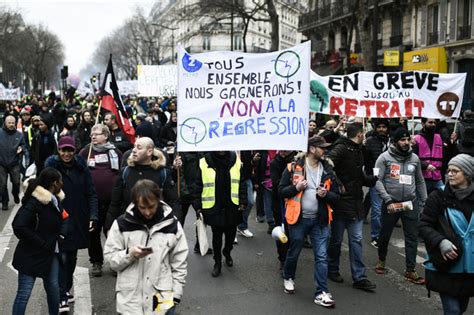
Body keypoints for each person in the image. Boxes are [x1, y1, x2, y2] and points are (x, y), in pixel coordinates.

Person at [104, 179, 188, 315]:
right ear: (135, 204)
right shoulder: (121, 224)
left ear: (158, 200)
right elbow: (110, 261)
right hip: (130, 301)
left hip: (162, 297)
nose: (147, 212)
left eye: (151, 207)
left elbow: (179, 263)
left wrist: (176, 294)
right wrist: (130, 254)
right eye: (142, 208)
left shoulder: (172, 225)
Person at [279, 136, 338, 308]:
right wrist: (296, 188)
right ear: (312, 149)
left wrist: (326, 195)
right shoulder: (292, 167)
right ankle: (288, 276)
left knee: (321, 256)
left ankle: (321, 292)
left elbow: (337, 197)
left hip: (320, 220)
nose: (324, 150)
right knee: (295, 250)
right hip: (298, 219)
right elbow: (281, 191)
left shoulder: (328, 170)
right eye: (322, 147)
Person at [45, 136, 98, 312]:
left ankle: (65, 290)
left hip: (78, 219)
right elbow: (42, 193)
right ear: (58, 151)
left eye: (69, 150)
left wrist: (93, 215)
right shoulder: (51, 168)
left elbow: (91, 193)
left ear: (74, 151)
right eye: (63, 150)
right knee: (62, 257)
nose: (66, 153)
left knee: (72, 257)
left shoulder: (82, 169)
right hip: (58, 220)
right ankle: (61, 296)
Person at [419, 154, 474, 315]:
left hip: (469, 267)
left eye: (455, 171)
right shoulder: (438, 196)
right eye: (449, 170)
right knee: (453, 311)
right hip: (446, 265)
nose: (449, 174)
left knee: (461, 308)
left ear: (468, 174)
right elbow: (424, 224)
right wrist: (441, 242)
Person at [327, 122, 378, 291]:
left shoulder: (358, 150)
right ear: (360, 134)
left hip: (355, 203)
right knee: (336, 240)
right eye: (363, 133)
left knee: (356, 240)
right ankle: (332, 269)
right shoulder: (341, 148)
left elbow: (359, 176)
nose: (364, 135)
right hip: (341, 203)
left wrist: (374, 178)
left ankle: (359, 277)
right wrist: (338, 184)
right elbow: (327, 165)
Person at [373, 128, 428, 284]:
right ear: (395, 141)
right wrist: (387, 200)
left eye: (407, 139)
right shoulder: (383, 158)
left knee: (412, 237)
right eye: (402, 140)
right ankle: (381, 260)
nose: (405, 143)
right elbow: (376, 180)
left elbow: (420, 181)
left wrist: (425, 201)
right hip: (392, 204)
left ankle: (410, 270)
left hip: (410, 204)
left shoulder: (415, 159)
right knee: (385, 234)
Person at [12, 167, 67, 315]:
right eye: (60, 180)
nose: (62, 183)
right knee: (24, 293)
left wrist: (61, 233)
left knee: (53, 290)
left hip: (50, 254)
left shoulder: (55, 200)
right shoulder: (35, 202)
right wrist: (41, 242)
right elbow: (19, 225)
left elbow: (63, 218)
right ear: (54, 183)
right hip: (30, 256)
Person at [105, 137, 179, 232]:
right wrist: (109, 225)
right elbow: (115, 203)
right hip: (129, 227)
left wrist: (175, 226)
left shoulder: (162, 173)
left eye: (139, 148)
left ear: (149, 152)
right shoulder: (125, 172)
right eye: (134, 147)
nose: (134, 151)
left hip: (157, 227)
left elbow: (173, 202)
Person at [194, 151, 247, 277]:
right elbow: (197, 185)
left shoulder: (236, 161)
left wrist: (243, 200)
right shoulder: (203, 162)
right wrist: (198, 206)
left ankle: (227, 252)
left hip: (232, 205)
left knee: (231, 234)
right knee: (216, 236)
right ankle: (217, 262)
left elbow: (242, 182)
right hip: (214, 206)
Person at [79, 124, 122, 277]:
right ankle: (96, 261)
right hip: (93, 200)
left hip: (112, 201)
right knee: (93, 231)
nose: (93, 136)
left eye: (97, 134)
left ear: (106, 136)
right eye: (92, 134)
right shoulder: (86, 151)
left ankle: (115, 262)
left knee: (112, 232)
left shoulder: (115, 152)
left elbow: (123, 171)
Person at [363, 118, 389, 247]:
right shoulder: (369, 141)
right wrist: (370, 176)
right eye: (379, 127)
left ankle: (385, 234)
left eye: (384, 127)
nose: (381, 129)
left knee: (389, 208)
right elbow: (366, 160)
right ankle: (376, 236)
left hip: (391, 179)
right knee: (377, 209)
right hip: (376, 179)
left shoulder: (392, 142)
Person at [0, 115, 25, 210]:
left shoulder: (19, 135)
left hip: (14, 163)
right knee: (2, 185)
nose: (11, 124)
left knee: (16, 182)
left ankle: (15, 194)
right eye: (9, 123)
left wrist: (21, 148)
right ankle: (5, 202)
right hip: (1, 163)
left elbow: (23, 145)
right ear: (5, 123)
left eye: (12, 123)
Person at [413, 118, 445, 194]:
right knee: (423, 201)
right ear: (423, 124)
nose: (433, 124)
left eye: (434, 122)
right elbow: (412, 159)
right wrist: (426, 165)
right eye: (430, 122)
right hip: (422, 178)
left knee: (445, 196)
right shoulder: (415, 139)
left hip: (437, 177)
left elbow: (446, 156)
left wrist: (451, 143)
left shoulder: (439, 138)